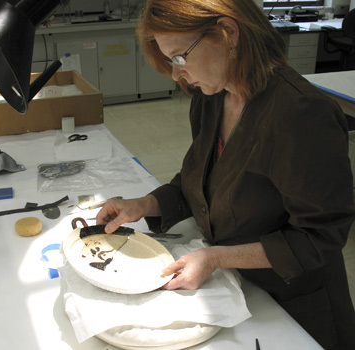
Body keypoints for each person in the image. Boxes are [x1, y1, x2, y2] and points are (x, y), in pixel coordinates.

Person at [96, 0, 355, 348]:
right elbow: (202, 182)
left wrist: (216, 257)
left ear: (227, 32)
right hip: (235, 287)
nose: (175, 75)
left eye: (179, 57)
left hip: (292, 304)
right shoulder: (212, 96)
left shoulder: (302, 116)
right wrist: (144, 204)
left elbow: (319, 237)